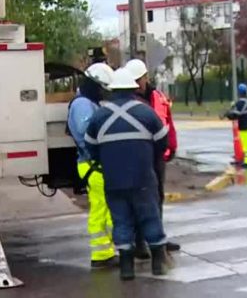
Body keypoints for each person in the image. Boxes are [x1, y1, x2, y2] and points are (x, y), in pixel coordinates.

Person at [84, 68, 169, 281]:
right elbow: (162, 143)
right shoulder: (146, 112)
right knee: (149, 217)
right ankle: (158, 264)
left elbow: (90, 147)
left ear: (112, 90)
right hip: (143, 178)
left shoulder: (99, 116)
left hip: (113, 180)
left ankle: (126, 268)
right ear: (133, 89)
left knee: (121, 220)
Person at [124, 59, 180, 257]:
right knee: (141, 199)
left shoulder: (158, 97)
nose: (138, 83)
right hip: (140, 157)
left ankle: (158, 239)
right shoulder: (128, 101)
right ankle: (140, 242)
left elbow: (168, 123)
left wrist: (172, 146)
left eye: (140, 79)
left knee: (157, 197)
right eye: (135, 80)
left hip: (158, 155)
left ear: (146, 77)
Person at [67, 62, 117, 269]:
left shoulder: (88, 103)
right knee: (101, 208)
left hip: (93, 164)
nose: (104, 93)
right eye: (102, 89)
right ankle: (102, 254)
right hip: (92, 164)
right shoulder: (83, 105)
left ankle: (107, 251)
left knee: (105, 207)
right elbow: (88, 132)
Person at [225, 83, 247, 168]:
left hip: (244, 127)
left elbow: (234, 115)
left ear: (239, 93)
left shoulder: (239, 103)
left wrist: (228, 114)